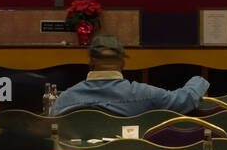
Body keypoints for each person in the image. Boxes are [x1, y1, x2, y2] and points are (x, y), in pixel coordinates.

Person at [54, 34, 209, 116]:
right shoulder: (145, 94)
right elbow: (184, 101)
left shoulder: (64, 99)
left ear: (91, 62)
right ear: (122, 63)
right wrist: (199, 80)